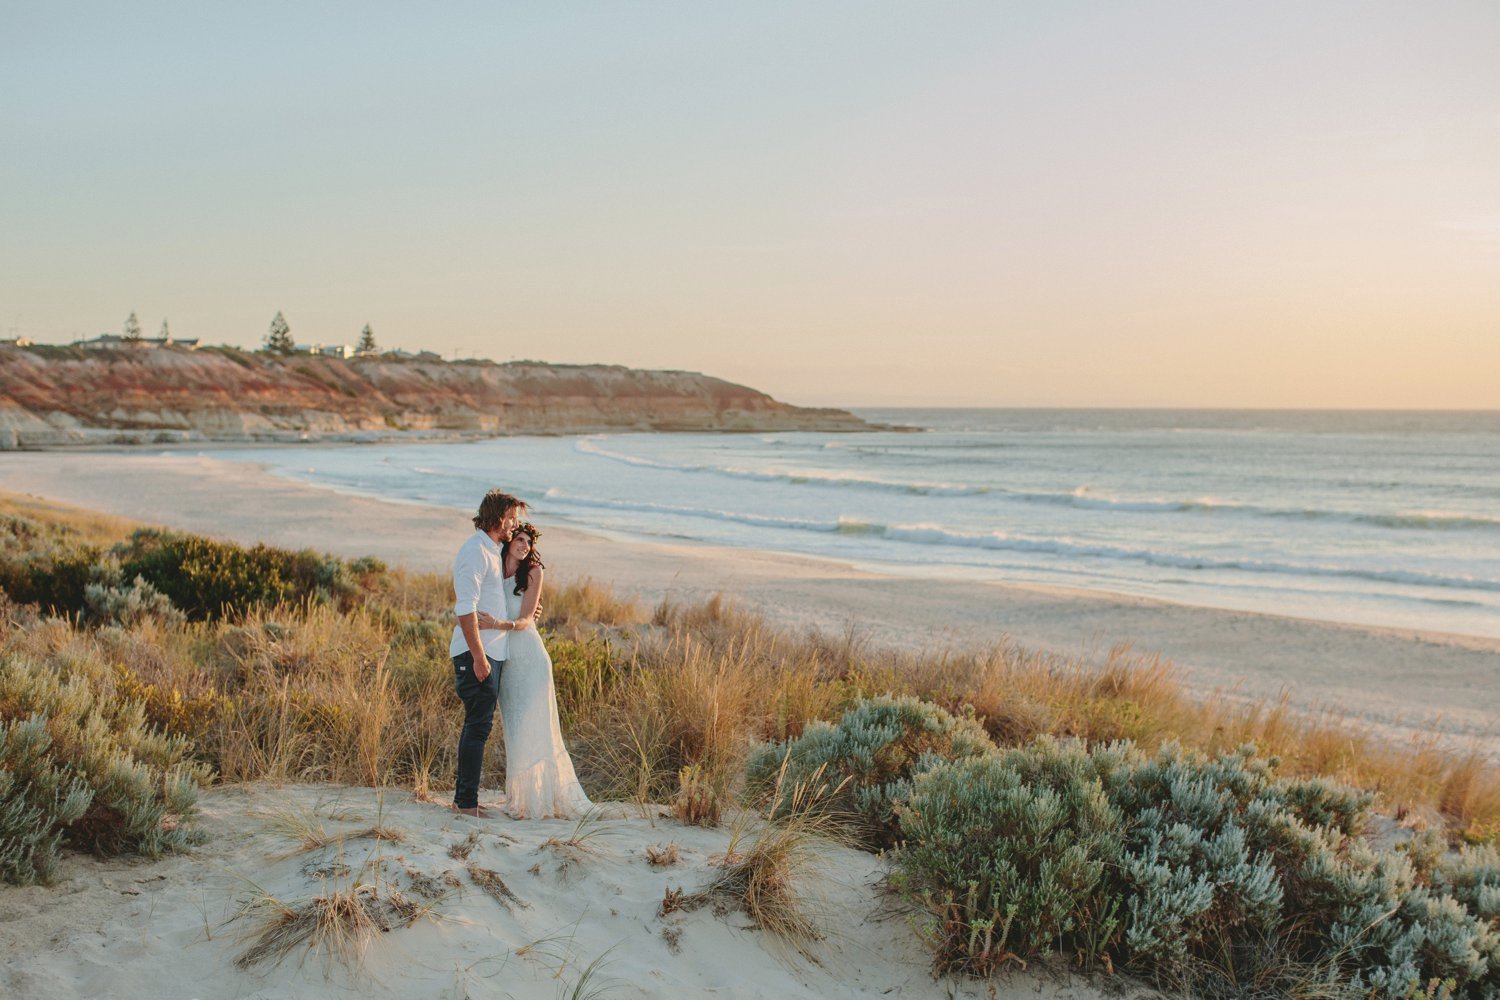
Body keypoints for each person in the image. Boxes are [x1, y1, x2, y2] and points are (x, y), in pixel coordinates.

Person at [476, 522, 592, 818]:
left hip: (529, 657)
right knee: (514, 728)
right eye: (519, 538)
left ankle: (542, 801)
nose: (524, 545)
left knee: (537, 727)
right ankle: (521, 799)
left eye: (529, 541)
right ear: (509, 540)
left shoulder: (533, 572)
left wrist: (497, 625)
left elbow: (527, 618)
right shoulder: (493, 566)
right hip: (504, 658)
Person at [449, 489, 527, 817]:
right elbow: (465, 610)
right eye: (511, 519)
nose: (514, 525)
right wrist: (479, 656)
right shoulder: (475, 552)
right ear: (497, 517)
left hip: (490, 652)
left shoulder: (491, 550)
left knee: (479, 726)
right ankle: (465, 803)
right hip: (476, 653)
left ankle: (465, 798)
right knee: (477, 726)